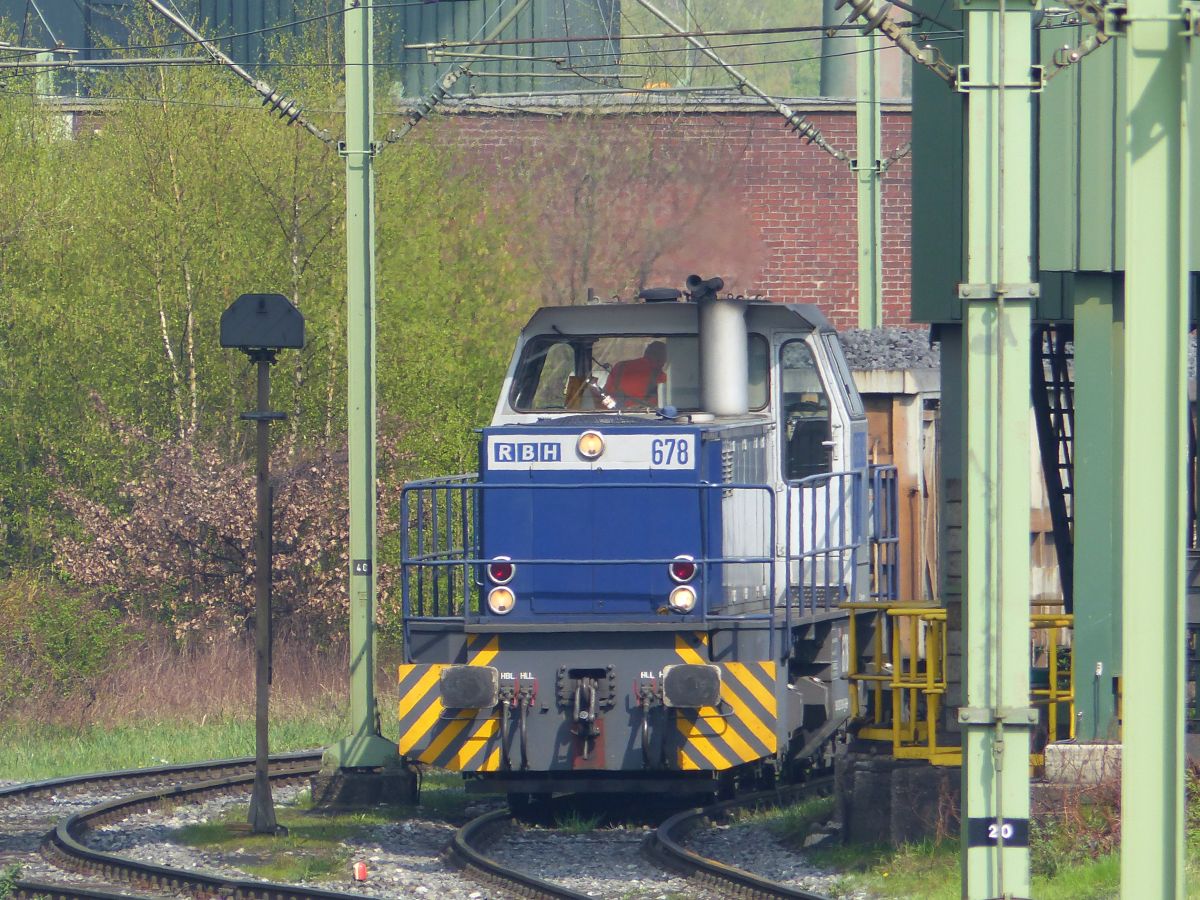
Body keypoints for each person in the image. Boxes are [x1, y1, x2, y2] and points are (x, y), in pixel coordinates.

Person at [604, 340, 668, 408]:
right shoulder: (661, 378)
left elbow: (605, 395)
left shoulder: (620, 367)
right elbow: (664, 404)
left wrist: (612, 408)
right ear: (662, 358)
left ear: (646, 353)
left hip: (612, 412)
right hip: (643, 414)